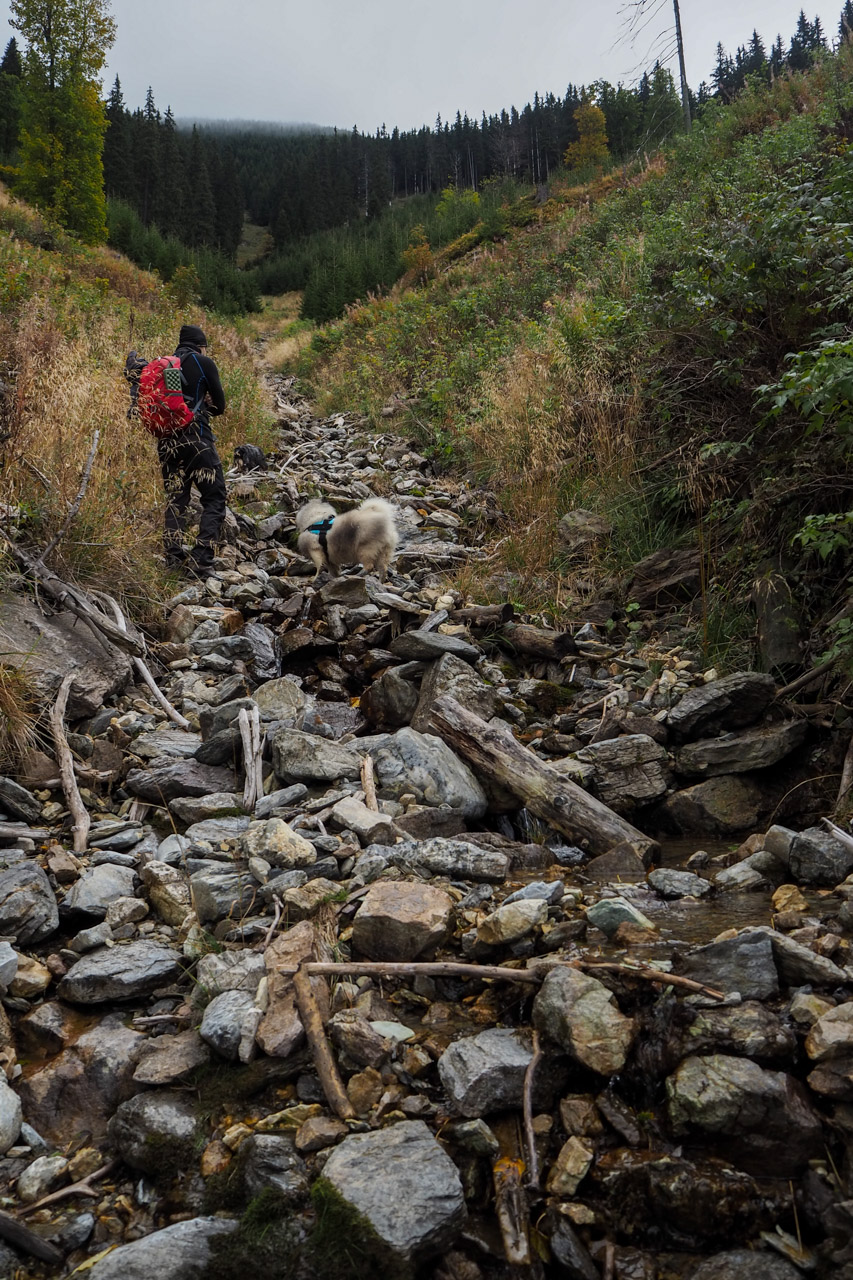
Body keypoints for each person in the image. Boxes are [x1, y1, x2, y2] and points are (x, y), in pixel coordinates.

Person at [158, 324, 227, 576]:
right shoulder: (203, 362)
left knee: (176, 500)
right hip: (197, 439)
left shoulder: (167, 365)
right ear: (201, 344)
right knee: (215, 497)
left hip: (167, 442)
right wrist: (206, 404)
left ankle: (174, 560)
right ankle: (202, 561)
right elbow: (219, 406)